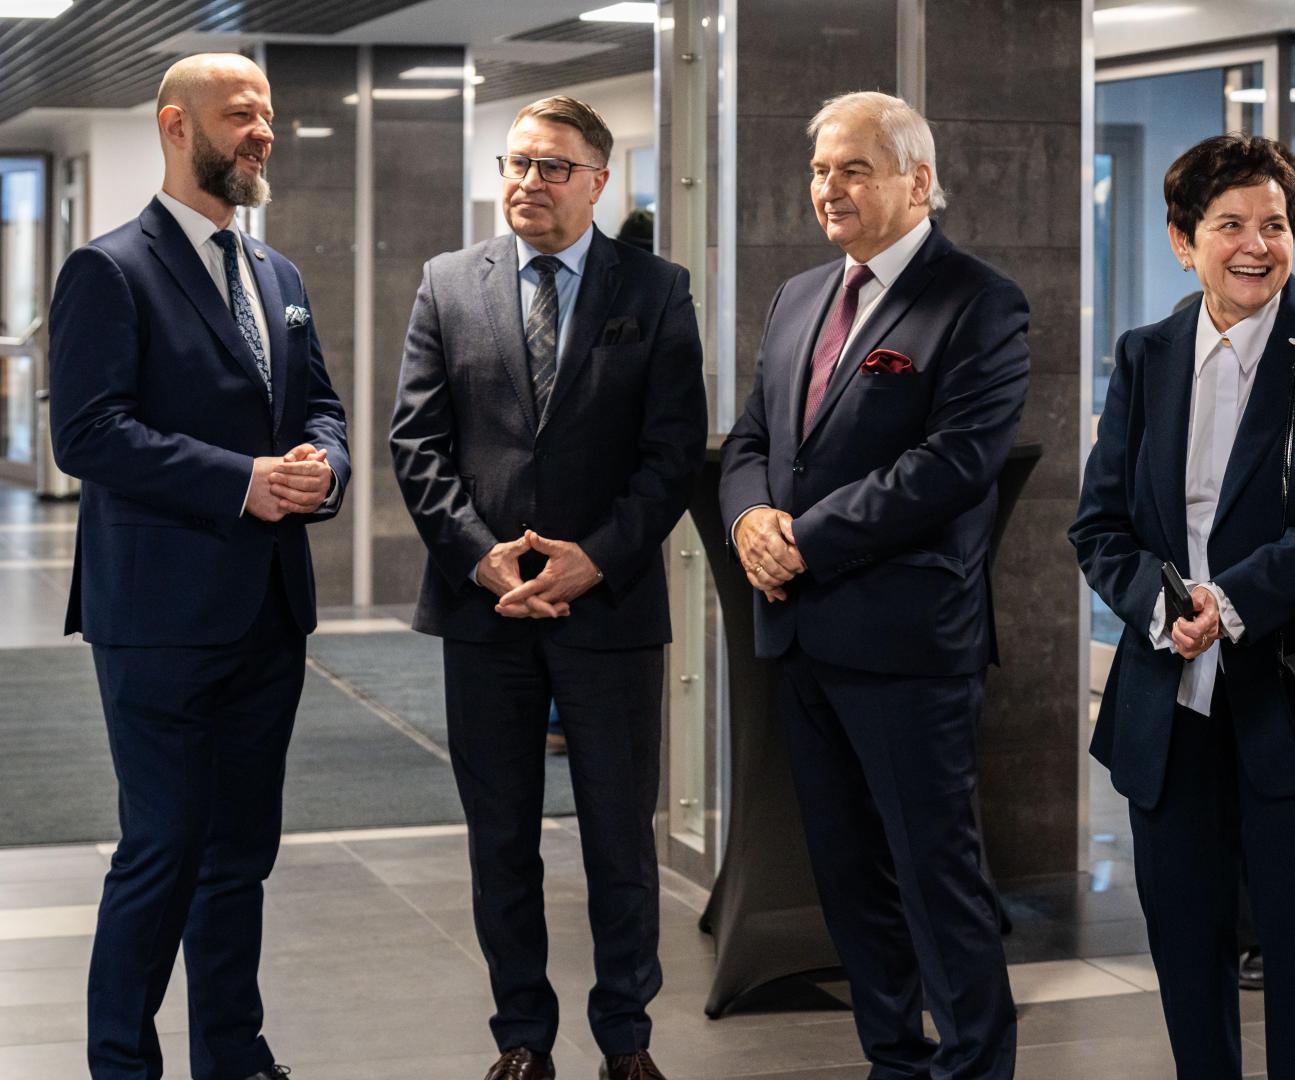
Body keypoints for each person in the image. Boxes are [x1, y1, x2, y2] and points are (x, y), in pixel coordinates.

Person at [1069, 133, 1295, 1080]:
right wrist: (1161, 605)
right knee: (1186, 949)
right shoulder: (1146, 355)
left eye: (1275, 225)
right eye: (1231, 226)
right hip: (1167, 704)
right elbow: (1099, 526)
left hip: (1294, 701)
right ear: (1184, 241)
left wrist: (1230, 598)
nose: (1257, 245)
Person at [390, 95, 705, 1080]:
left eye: (553, 166)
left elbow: (671, 453)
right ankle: (522, 1034)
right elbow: (417, 442)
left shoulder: (655, 290)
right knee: (500, 836)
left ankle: (627, 1037)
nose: (529, 181)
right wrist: (480, 555)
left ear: (598, 181)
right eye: (518, 163)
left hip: (608, 607)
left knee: (620, 836)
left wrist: (594, 557)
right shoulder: (448, 283)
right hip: (484, 610)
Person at [48, 52, 349, 1080]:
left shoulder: (279, 276)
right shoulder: (109, 269)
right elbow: (88, 434)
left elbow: (319, 404)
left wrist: (324, 466)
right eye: (239, 115)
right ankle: (122, 1065)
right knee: (164, 848)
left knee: (240, 855)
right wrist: (241, 481)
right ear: (176, 126)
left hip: (269, 607)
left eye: (267, 114)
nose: (261, 131)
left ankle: (233, 1054)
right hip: (159, 616)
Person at [720, 90, 1029, 1080]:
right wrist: (749, 519)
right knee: (849, 883)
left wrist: (803, 540)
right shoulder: (799, 295)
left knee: (938, 880)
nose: (830, 188)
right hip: (800, 637)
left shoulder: (980, 302)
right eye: (819, 170)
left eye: (854, 169)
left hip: (907, 645)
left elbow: (954, 463)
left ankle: (973, 1066)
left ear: (918, 181)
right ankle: (893, 1062)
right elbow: (754, 438)